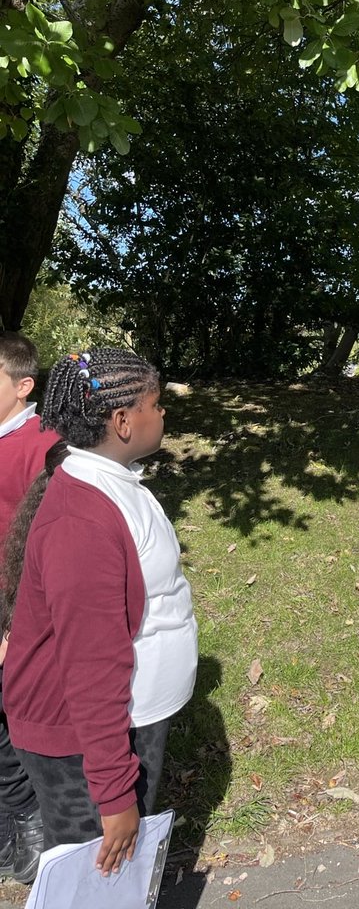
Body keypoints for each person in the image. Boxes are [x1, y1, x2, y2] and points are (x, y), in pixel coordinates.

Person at [3, 348, 198, 877]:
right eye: (155, 404)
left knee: (117, 877)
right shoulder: (81, 520)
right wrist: (113, 796)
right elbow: (91, 669)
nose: (163, 413)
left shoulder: (112, 480)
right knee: (95, 878)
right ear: (122, 421)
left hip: (125, 721)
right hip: (82, 744)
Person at [0, 333, 59, 883]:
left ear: (23, 386)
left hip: (15, 610)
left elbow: (47, 545)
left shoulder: (43, 445)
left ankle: (29, 818)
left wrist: (15, 625)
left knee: (14, 715)